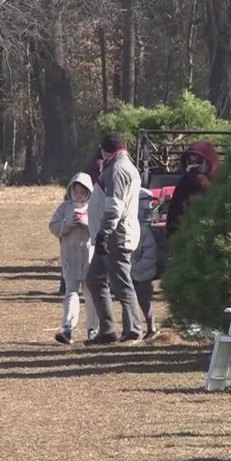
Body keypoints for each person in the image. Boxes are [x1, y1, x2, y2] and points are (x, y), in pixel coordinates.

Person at [86, 132, 143, 345]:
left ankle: (133, 330)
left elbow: (114, 207)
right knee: (95, 279)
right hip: (113, 234)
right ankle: (108, 330)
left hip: (115, 235)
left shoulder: (118, 169)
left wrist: (103, 235)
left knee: (122, 283)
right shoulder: (122, 166)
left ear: (105, 150)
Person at [49, 172, 98, 344]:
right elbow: (53, 227)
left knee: (91, 295)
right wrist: (68, 223)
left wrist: (86, 224)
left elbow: (100, 231)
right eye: (76, 191)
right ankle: (68, 328)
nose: (79, 195)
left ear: (88, 193)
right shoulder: (64, 208)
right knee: (71, 294)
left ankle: (93, 329)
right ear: (71, 191)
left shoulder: (94, 208)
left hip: (89, 259)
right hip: (70, 259)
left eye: (82, 192)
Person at [164, 141, 221, 238]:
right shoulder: (185, 183)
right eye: (190, 162)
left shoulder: (221, 179)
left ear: (208, 162)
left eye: (198, 161)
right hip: (187, 237)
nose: (194, 166)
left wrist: (201, 181)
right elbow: (174, 215)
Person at [131, 189, 159, 340]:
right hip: (129, 273)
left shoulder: (145, 231)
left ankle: (152, 327)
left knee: (144, 302)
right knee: (128, 302)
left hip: (143, 274)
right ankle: (131, 330)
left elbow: (150, 255)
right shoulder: (129, 228)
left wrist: (137, 266)